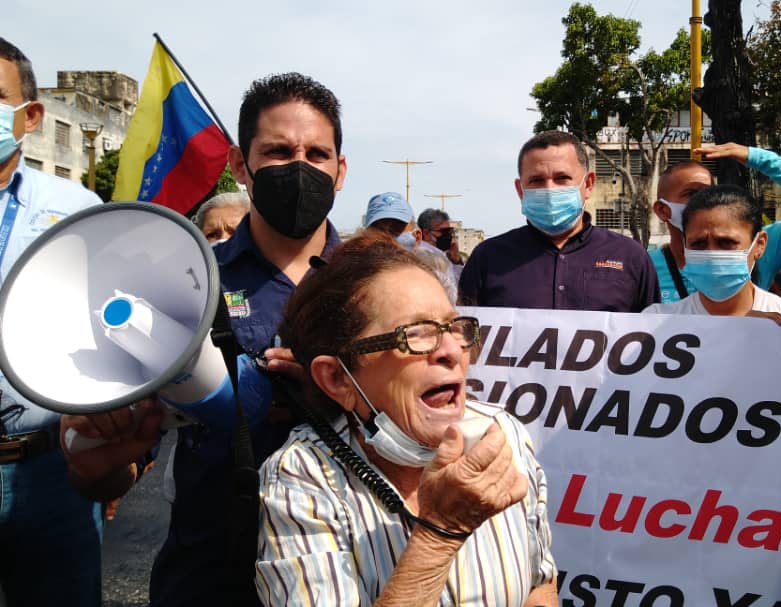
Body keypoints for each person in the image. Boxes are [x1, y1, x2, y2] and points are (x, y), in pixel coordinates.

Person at [60, 72, 348, 606]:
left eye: (317, 153)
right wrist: (99, 461)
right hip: (210, 569)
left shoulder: (373, 285)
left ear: (341, 169)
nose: (301, 167)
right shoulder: (185, 281)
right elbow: (118, 466)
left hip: (349, 566)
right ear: (241, 166)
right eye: (279, 152)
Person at [257, 234, 558, 605]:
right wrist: (439, 533)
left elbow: (541, 585)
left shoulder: (504, 433)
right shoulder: (301, 478)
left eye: (453, 328)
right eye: (415, 335)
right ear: (337, 379)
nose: (451, 352)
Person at [0, 37, 104, 607]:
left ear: (29, 115)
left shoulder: (78, 209)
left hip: (46, 466)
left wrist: (108, 454)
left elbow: (109, 328)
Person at [459, 130, 659, 312]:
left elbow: (652, 335)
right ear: (521, 190)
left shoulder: (630, 256)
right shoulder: (488, 258)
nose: (549, 189)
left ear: (588, 184)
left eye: (562, 178)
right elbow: (464, 335)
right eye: (536, 180)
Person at [644, 184, 781, 340]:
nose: (711, 253)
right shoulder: (655, 323)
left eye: (726, 243)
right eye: (699, 243)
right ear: (685, 246)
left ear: (759, 245)